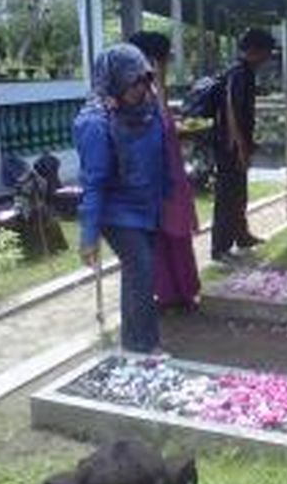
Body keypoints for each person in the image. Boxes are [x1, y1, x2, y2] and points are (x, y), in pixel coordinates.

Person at [74, 44, 169, 353]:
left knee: (138, 275)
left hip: (146, 205)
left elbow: (158, 156)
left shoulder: (147, 108)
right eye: (133, 80)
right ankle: (144, 347)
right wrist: (89, 235)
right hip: (117, 212)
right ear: (114, 78)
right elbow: (94, 181)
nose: (139, 87)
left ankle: (136, 343)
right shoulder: (95, 122)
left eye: (144, 79)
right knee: (141, 270)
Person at [129, 31, 201, 311]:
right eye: (163, 59)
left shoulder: (153, 87)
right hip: (153, 176)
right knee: (162, 235)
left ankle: (182, 291)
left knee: (175, 233)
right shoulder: (136, 90)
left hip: (168, 173)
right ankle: (170, 293)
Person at [211, 29, 274, 261]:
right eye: (267, 51)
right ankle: (220, 248)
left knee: (239, 192)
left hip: (236, 142)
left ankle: (241, 234)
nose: (269, 57)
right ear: (256, 51)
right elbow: (232, 112)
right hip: (230, 144)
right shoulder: (239, 74)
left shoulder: (245, 72)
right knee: (228, 196)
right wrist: (241, 147)